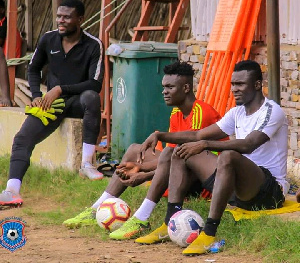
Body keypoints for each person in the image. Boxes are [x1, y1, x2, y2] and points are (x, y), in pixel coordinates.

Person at [136, 60, 289, 256]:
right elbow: (198, 135)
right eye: (233, 84)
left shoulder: (272, 111)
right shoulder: (236, 112)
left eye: (240, 84)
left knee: (229, 156)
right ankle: (170, 222)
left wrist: (207, 145)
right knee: (181, 151)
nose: (234, 89)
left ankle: (209, 233)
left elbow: (249, 144)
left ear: (257, 85)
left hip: (269, 190)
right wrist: (160, 135)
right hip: (239, 189)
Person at [63, 61, 222, 232]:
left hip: (202, 183)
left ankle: (142, 218)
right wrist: (140, 166)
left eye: (169, 87)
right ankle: (96, 209)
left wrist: (145, 176)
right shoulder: (176, 113)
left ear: (185, 88)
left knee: (174, 156)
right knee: (133, 150)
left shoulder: (201, 113)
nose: (164, 92)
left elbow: (186, 161)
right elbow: (169, 158)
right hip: (182, 168)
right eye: (163, 87)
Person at [0, 0, 105, 207]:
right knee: (22, 138)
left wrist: (60, 89)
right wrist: (37, 94)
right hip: (51, 105)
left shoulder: (94, 44)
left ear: (80, 19)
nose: (61, 21)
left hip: (77, 102)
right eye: (59, 16)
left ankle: (86, 163)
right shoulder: (48, 39)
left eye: (67, 17)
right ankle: (12, 191)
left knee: (92, 97)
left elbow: (95, 83)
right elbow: (33, 69)